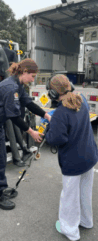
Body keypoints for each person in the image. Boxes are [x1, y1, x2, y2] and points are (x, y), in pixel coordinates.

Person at [0, 58, 51, 210]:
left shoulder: (17, 84)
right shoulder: (11, 88)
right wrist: (31, 132)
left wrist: (46, 115)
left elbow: (28, 103)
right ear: (25, 72)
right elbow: (14, 116)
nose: (33, 79)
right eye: (33, 76)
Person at [45, 74, 97, 241]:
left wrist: (49, 129)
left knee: (69, 196)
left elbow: (55, 139)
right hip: (90, 157)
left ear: (53, 94)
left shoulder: (61, 112)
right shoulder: (80, 99)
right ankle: (86, 221)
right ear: (70, 86)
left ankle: (70, 231)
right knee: (84, 192)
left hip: (73, 162)